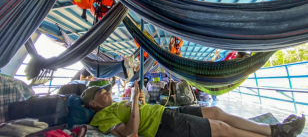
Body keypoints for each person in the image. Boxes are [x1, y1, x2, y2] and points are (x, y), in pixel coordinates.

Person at [81, 81, 306, 137]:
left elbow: (137, 110)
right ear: (93, 103)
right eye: (104, 94)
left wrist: (138, 101)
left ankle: (273, 129)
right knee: (219, 128)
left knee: (217, 112)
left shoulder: (117, 103)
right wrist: (133, 103)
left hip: (166, 113)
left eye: (109, 91)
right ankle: (278, 135)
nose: (109, 94)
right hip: (162, 126)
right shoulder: (100, 118)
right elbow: (132, 132)